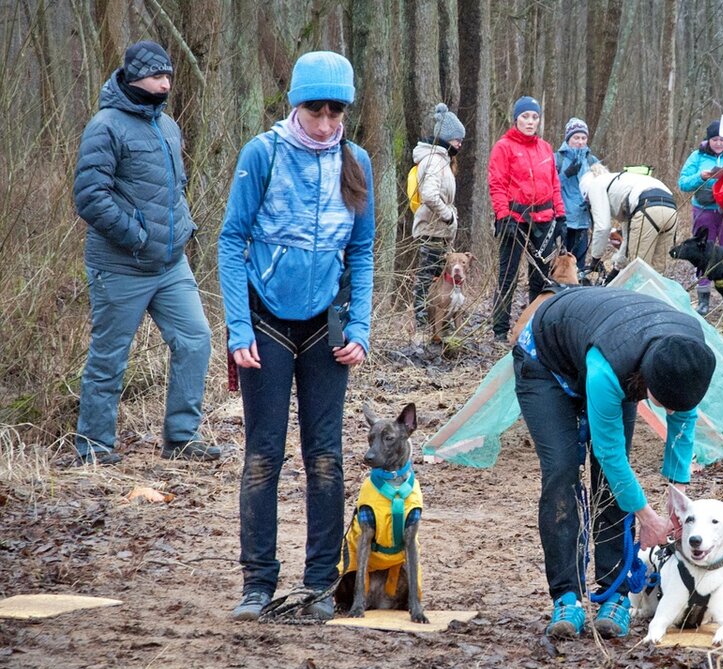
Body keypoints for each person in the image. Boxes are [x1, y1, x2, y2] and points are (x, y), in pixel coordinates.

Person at [217, 51, 375, 622]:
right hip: (265, 323)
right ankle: (257, 584)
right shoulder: (261, 154)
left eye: (337, 111)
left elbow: (361, 251)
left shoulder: (356, 162)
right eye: (316, 110)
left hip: (325, 327)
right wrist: (238, 328)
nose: (327, 122)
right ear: (295, 106)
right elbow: (231, 242)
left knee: (326, 457)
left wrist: (360, 325)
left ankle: (316, 584)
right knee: (263, 455)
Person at [512, 287, 716, 639]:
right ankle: (567, 597)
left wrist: (677, 502)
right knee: (562, 471)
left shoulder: (688, 356)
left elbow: (683, 425)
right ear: (649, 380)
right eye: (663, 403)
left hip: (607, 341)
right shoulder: (610, 369)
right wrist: (648, 518)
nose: (668, 412)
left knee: (609, 486)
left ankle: (616, 593)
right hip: (545, 362)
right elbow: (609, 454)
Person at [72, 40, 219, 466]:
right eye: (157, 76)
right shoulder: (106, 126)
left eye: (169, 75)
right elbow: (90, 197)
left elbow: (177, 186)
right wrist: (137, 236)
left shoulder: (167, 126)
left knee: (196, 339)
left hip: (171, 265)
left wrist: (184, 226)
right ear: (135, 77)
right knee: (109, 357)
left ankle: (181, 438)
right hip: (120, 265)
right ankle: (94, 448)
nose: (166, 83)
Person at [488, 96, 566, 340]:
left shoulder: (545, 147)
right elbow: (497, 183)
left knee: (540, 279)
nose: (530, 122)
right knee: (507, 276)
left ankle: (534, 327)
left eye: (534, 117)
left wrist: (561, 215)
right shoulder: (504, 147)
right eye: (525, 117)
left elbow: (555, 184)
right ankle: (500, 331)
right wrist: (503, 216)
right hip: (515, 220)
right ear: (516, 119)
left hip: (544, 220)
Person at [677, 121, 723, 315]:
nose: (718, 143)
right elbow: (683, 183)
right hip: (704, 210)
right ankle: (703, 300)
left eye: (721, 139)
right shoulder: (697, 157)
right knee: (702, 254)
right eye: (714, 139)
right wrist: (701, 177)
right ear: (708, 140)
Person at [412, 102, 465, 328]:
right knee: (427, 278)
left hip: (439, 232)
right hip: (431, 231)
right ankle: (423, 322)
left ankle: (437, 324)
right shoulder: (434, 160)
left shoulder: (443, 160)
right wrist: (448, 216)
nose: (459, 144)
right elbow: (430, 195)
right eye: (456, 140)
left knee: (436, 278)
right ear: (445, 138)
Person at [579, 163, 678, 278]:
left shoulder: (595, 185)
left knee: (638, 269)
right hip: (671, 209)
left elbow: (603, 227)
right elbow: (628, 238)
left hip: (647, 208)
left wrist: (595, 260)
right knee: (657, 271)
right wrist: (616, 270)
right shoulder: (623, 183)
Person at [554, 117, 598, 276]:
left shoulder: (592, 161)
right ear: (568, 138)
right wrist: (566, 174)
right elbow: (548, 187)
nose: (580, 142)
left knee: (578, 266)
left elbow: (601, 187)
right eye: (576, 138)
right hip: (562, 220)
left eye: (583, 138)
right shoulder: (557, 159)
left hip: (583, 221)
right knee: (560, 264)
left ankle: (576, 293)